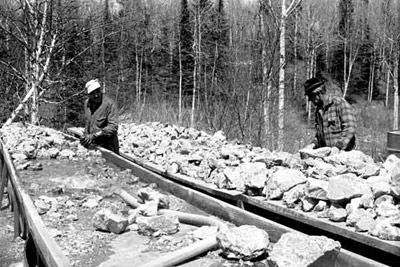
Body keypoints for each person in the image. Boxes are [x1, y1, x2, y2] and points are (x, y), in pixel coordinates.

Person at [304, 77, 356, 151]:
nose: (309, 100)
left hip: (344, 154)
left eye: (310, 96)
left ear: (318, 93)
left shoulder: (339, 103)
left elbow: (350, 128)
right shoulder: (319, 111)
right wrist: (313, 144)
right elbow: (320, 136)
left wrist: (338, 147)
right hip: (328, 156)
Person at [80, 79, 120, 154]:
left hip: (109, 145)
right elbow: (87, 123)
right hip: (93, 145)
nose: (96, 95)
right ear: (89, 95)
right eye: (92, 93)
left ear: (100, 90)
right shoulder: (87, 104)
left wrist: (95, 135)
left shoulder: (110, 104)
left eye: (97, 91)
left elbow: (113, 127)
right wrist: (86, 136)